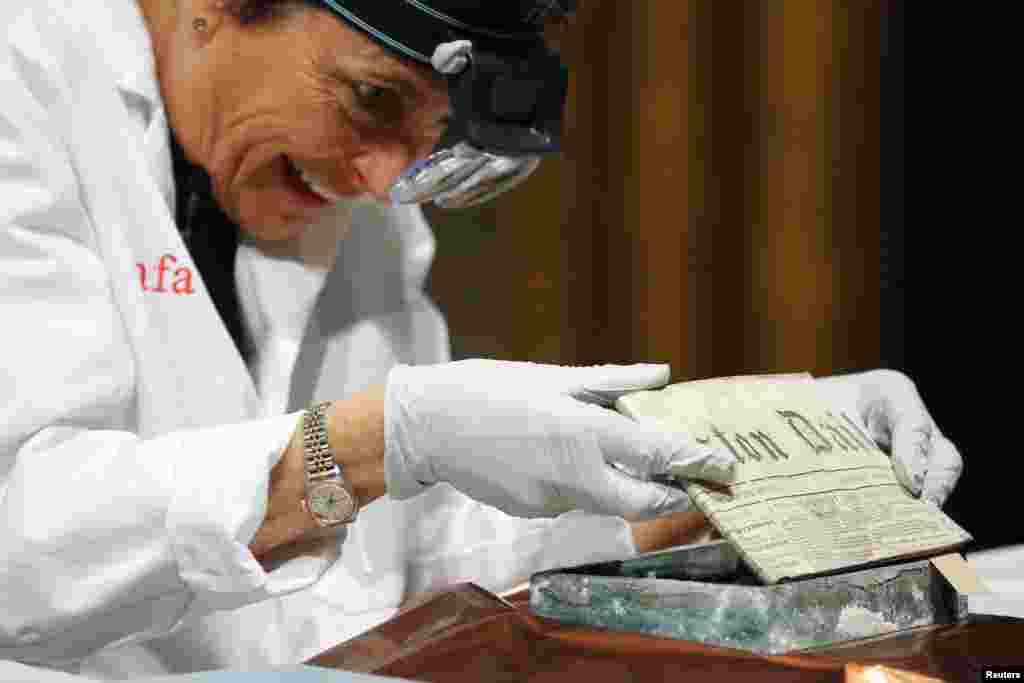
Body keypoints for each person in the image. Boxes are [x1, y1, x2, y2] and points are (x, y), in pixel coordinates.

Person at [0, 0, 962, 680]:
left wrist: (738, 461)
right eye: (372, 101)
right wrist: (384, 439)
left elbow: (413, 560)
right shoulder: (25, 75)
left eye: (425, 136)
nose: (382, 183)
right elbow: (24, 551)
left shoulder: (352, 202)